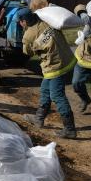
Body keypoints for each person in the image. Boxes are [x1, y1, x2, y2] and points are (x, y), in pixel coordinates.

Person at [20, 8, 77, 139]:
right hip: (67, 59)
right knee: (45, 90)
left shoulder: (28, 35)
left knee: (57, 95)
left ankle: (70, 129)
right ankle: (39, 119)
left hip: (54, 67)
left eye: (21, 22)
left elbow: (27, 53)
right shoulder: (48, 21)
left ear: (23, 22)